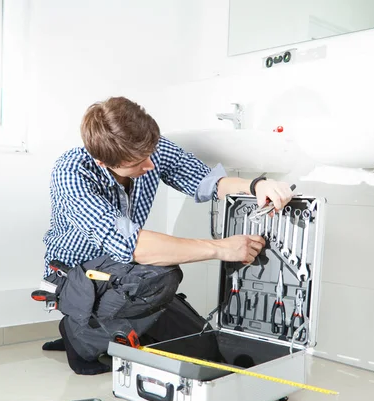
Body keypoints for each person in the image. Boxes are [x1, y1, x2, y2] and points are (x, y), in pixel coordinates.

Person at [41, 96, 294, 375]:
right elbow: (133, 245)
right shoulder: (72, 172)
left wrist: (256, 185)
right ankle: (80, 336)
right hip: (78, 274)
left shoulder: (150, 149)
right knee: (161, 275)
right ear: (103, 162)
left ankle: (114, 331)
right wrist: (221, 249)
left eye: (150, 152)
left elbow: (206, 181)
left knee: (204, 347)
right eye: (138, 162)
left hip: (124, 271)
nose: (151, 165)